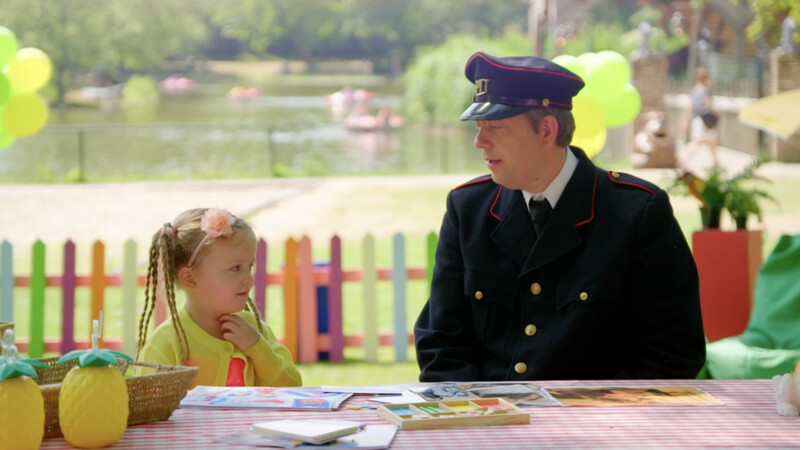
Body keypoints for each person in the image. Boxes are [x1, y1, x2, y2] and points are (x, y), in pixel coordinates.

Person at [414, 52, 706, 382]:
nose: (480, 142)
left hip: (602, 423)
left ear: (547, 130)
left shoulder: (637, 213)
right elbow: (442, 344)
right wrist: (477, 414)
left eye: (495, 126)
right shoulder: (467, 209)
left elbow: (672, 353)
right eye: (479, 127)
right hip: (491, 420)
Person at [136, 207, 302, 387]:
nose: (248, 279)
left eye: (250, 266)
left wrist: (257, 348)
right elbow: (151, 410)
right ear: (190, 278)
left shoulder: (256, 330)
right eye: (235, 268)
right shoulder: (166, 343)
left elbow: (292, 386)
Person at [682, 67, 718, 167]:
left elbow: (689, 107)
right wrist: (716, 112)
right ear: (706, 79)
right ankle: (684, 161)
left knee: (712, 141)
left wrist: (686, 121)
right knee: (697, 142)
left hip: (697, 119)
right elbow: (708, 103)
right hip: (706, 119)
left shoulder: (693, 91)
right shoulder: (706, 90)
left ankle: (716, 163)